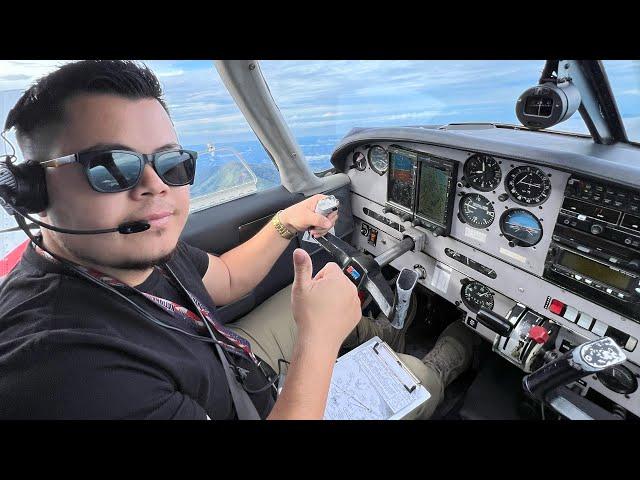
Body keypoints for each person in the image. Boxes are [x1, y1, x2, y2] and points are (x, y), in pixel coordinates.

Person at [0, 60, 475, 419]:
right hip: (245, 404)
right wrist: (318, 341)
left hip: (229, 363)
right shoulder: (64, 372)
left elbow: (224, 279)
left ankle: (387, 335)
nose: (156, 185)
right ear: (32, 192)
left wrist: (290, 219)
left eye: (170, 162)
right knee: (413, 378)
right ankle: (449, 360)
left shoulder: (127, 246)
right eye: (110, 166)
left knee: (324, 305)